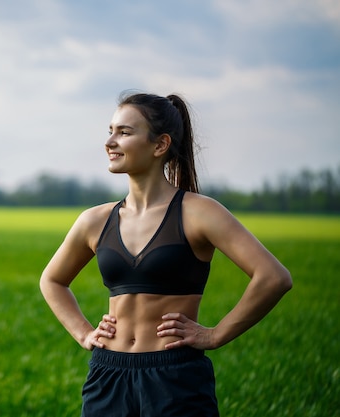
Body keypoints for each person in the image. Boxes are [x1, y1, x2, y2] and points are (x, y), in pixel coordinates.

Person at [39, 91, 292, 417]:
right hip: (108, 375)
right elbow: (52, 280)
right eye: (110, 131)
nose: (110, 142)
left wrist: (215, 334)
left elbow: (273, 277)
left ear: (160, 145)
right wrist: (83, 332)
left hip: (175, 378)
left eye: (125, 132)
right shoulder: (94, 220)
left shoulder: (199, 213)